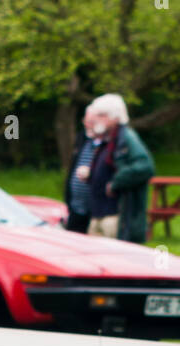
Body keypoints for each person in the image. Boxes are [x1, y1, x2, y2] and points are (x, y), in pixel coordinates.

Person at [87, 94, 154, 244]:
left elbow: (145, 166)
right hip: (98, 213)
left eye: (102, 115)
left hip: (115, 215)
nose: (96, 119)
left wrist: (116, 183)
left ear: (115, 118)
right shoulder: (106, 140)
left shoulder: (126, 138)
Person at [64, 103, 99, 234]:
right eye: (85, 120)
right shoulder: (82, 138)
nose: (86, 124)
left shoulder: (108, 143)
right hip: (76, 207)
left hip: (94, 209)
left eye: (90, 121)